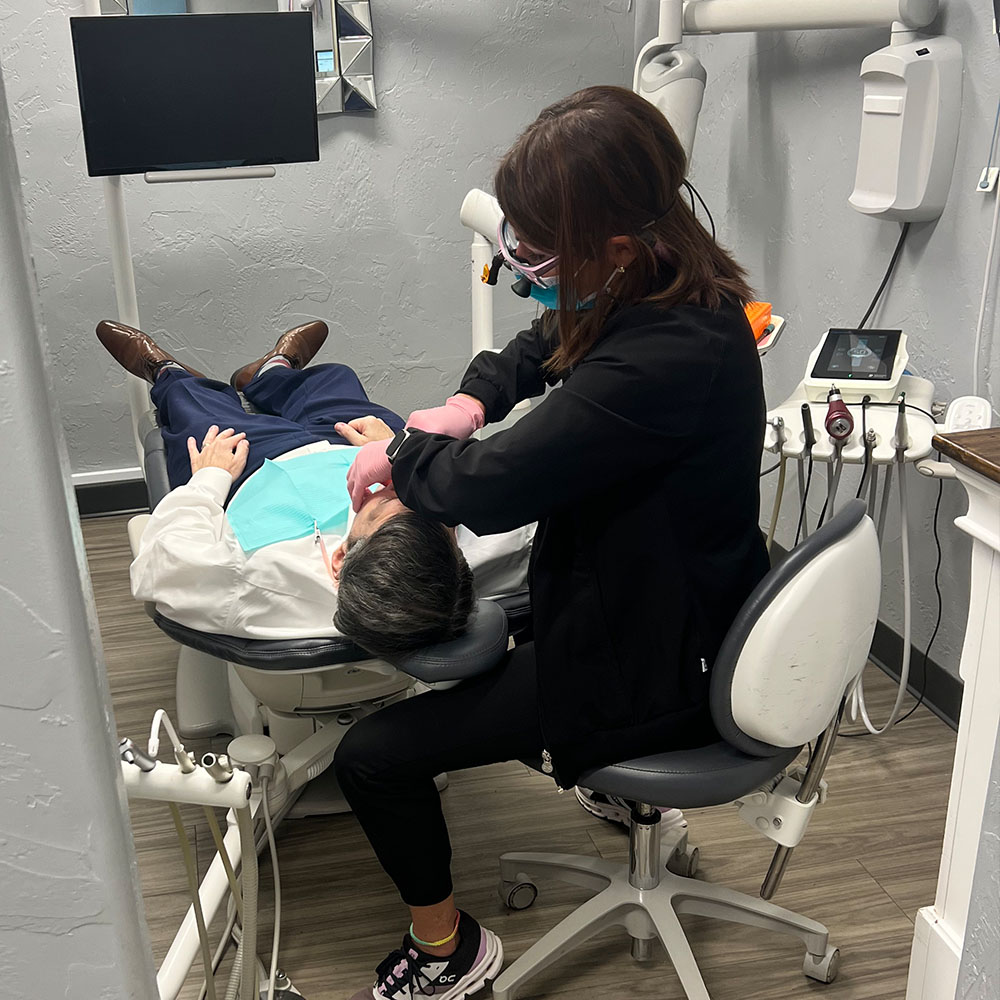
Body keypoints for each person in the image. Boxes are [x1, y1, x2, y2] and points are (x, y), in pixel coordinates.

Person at [336, 85, 770, 1000]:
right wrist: (471, 399)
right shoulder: (669, 279)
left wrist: (406, 455)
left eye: (538, 248)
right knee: (494, 634)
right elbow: (544, 337)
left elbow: (486, 488)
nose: (523, 263)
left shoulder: (665, 358)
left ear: (613, 248)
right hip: (676, 589)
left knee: (371, 758)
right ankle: (611, 788)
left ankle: (451, 953)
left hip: (653, 659)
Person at [95, 320, 533, 652]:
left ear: (340, 559)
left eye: (379, 502)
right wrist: (406, 457)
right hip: (368, 446)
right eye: (425, 505)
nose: (387, 488)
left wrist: (210, 479)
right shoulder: (487, 556)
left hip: (254, 467)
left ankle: (168, 371)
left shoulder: (249, 584)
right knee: (333, 380)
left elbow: (161, 562)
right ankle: (271, 373)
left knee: (192, 407)